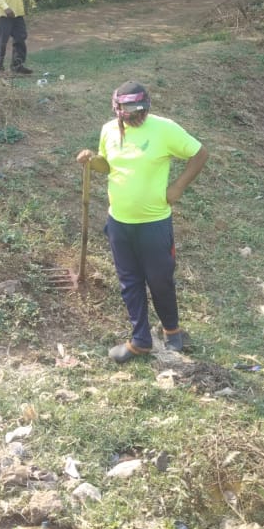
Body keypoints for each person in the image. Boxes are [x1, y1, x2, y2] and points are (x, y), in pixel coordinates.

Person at [76, 82, 208, 364]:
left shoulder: (165, 129)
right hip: (119, 222)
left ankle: (172, 330)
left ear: (147, 105)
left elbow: (199, 154)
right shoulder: (109, 130)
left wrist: (178, 188)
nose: (133, 114)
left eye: (138, 108)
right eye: (127, 109)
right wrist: (92, 160)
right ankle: (140, 340)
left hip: (154, 223)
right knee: (129, 282)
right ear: (117, 109)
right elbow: (107, 166)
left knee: (160, 279)